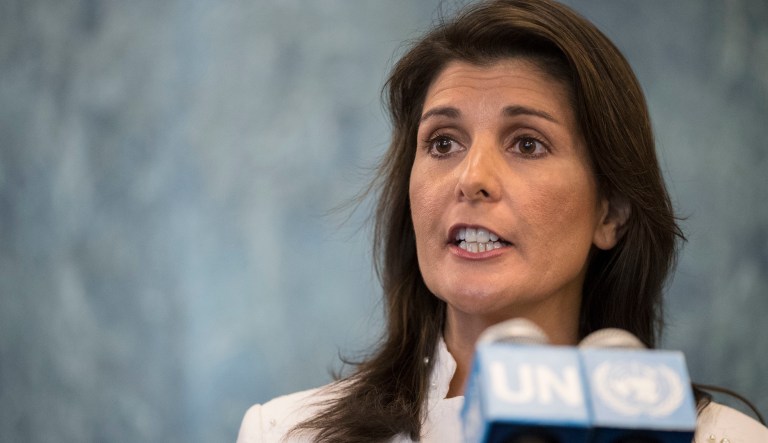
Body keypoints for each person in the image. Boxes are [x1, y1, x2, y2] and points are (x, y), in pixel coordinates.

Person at [237, 0, 768, 441]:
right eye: (443, 143)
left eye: (527, 144)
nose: (472, 178)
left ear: (610, 212)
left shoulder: (730, 439)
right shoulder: (283, 433)